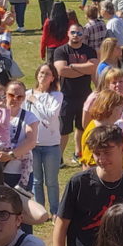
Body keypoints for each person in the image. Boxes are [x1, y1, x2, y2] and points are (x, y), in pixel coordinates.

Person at [51, 23, 98, 165]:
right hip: (66, 96)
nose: (76, 35)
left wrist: (72, 67)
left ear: (83, 35)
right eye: (73, 32)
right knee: (63, 130)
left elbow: (93, 68)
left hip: (85, 96)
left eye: (79, 33)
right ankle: (58, 158)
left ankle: (79, 153)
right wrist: (84, 69)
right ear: (68, 33)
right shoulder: (60, 51)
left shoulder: (89, 51)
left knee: (82, 127)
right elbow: (62, 71)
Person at [25, 64, 63, 213]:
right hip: (32, 143)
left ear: (53, 78)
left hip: (51, 145)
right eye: (41, 72)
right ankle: (40, 210)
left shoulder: (57, 95)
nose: (43, 76)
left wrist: (36, 101)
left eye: (47, 74)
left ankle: (55, 211)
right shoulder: (27, 94)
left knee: (51, 181)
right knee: (36, 180)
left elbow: (51, 115)